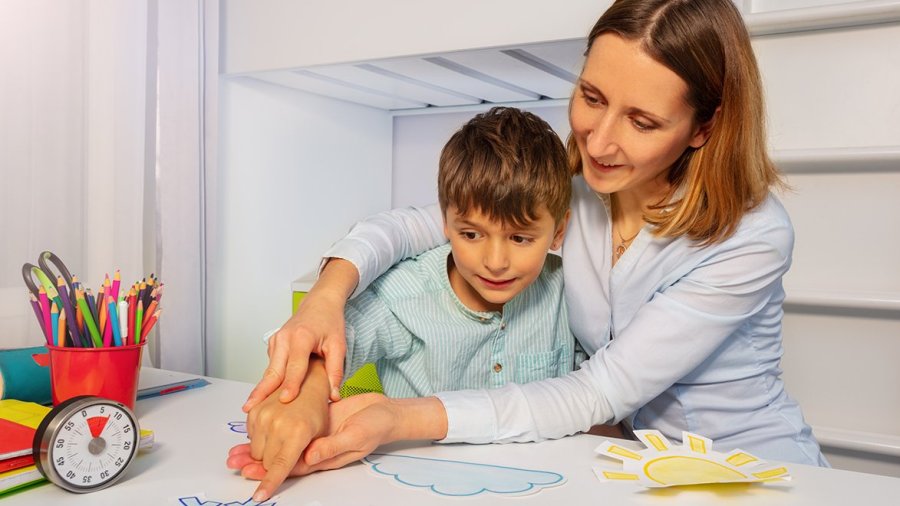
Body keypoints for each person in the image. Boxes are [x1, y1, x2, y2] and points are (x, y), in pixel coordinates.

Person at [233, 0, 829, 500]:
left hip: (753, 469)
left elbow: (598, 390)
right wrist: (325, 300)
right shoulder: (575, 192)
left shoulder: (753, 236)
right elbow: (421, 225)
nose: (599, 140)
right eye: (592, 97)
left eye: (642, 122)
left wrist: (398, 417)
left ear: (703, 127)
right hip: (629, 467)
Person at [229, 107, 584, 500]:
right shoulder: (405, 293)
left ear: (559, 231)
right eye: (471, 234)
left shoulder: (570, 293)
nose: (495, 261)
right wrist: (308, 397)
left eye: (520, 239)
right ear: (444, 224)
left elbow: (594, 394)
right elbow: (330, 340)